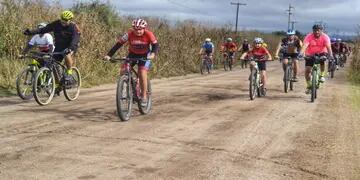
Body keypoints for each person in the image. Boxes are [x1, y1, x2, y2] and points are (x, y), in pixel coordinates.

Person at [104, 18, 159, 107]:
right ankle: (127, 85)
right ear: (133, 29)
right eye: (136, 29)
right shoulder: (129, 34)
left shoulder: (149, 34)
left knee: (142, 72)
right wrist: (109, 55)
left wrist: (152, 54)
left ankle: (144, 96)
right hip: (133, 54)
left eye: (140, 29)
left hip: (145, 55)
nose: (138, 31)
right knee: (123, 70)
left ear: (144, 28)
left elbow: (155, 45)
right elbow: (118, 44)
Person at [23, 10, 81, 83]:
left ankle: (69, 73)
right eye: (62, 19)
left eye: (65, 20)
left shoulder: (73, 27)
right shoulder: (56, 24)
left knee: (66, 54)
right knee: (53, 64)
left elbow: (75, 39)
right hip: (59, 47)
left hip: (71, 46)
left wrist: (70, 48)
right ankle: (57, 84)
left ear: (70, 20)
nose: (63, 21)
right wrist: (31, 32)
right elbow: (43, 30)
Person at [299, 24, 333, 94]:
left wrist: (331, 55)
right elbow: (305, 45)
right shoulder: (309, 36)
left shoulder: (325, 37)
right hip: (310, 54)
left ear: (321, 31)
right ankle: (309, 86)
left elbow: (328, 47)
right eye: (315, 30)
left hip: (322, 52)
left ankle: (322, 75)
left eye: (318, 30)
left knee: (322, 61)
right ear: (313, 31)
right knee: (307, 70)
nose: (317, 32)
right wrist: (301, 54)